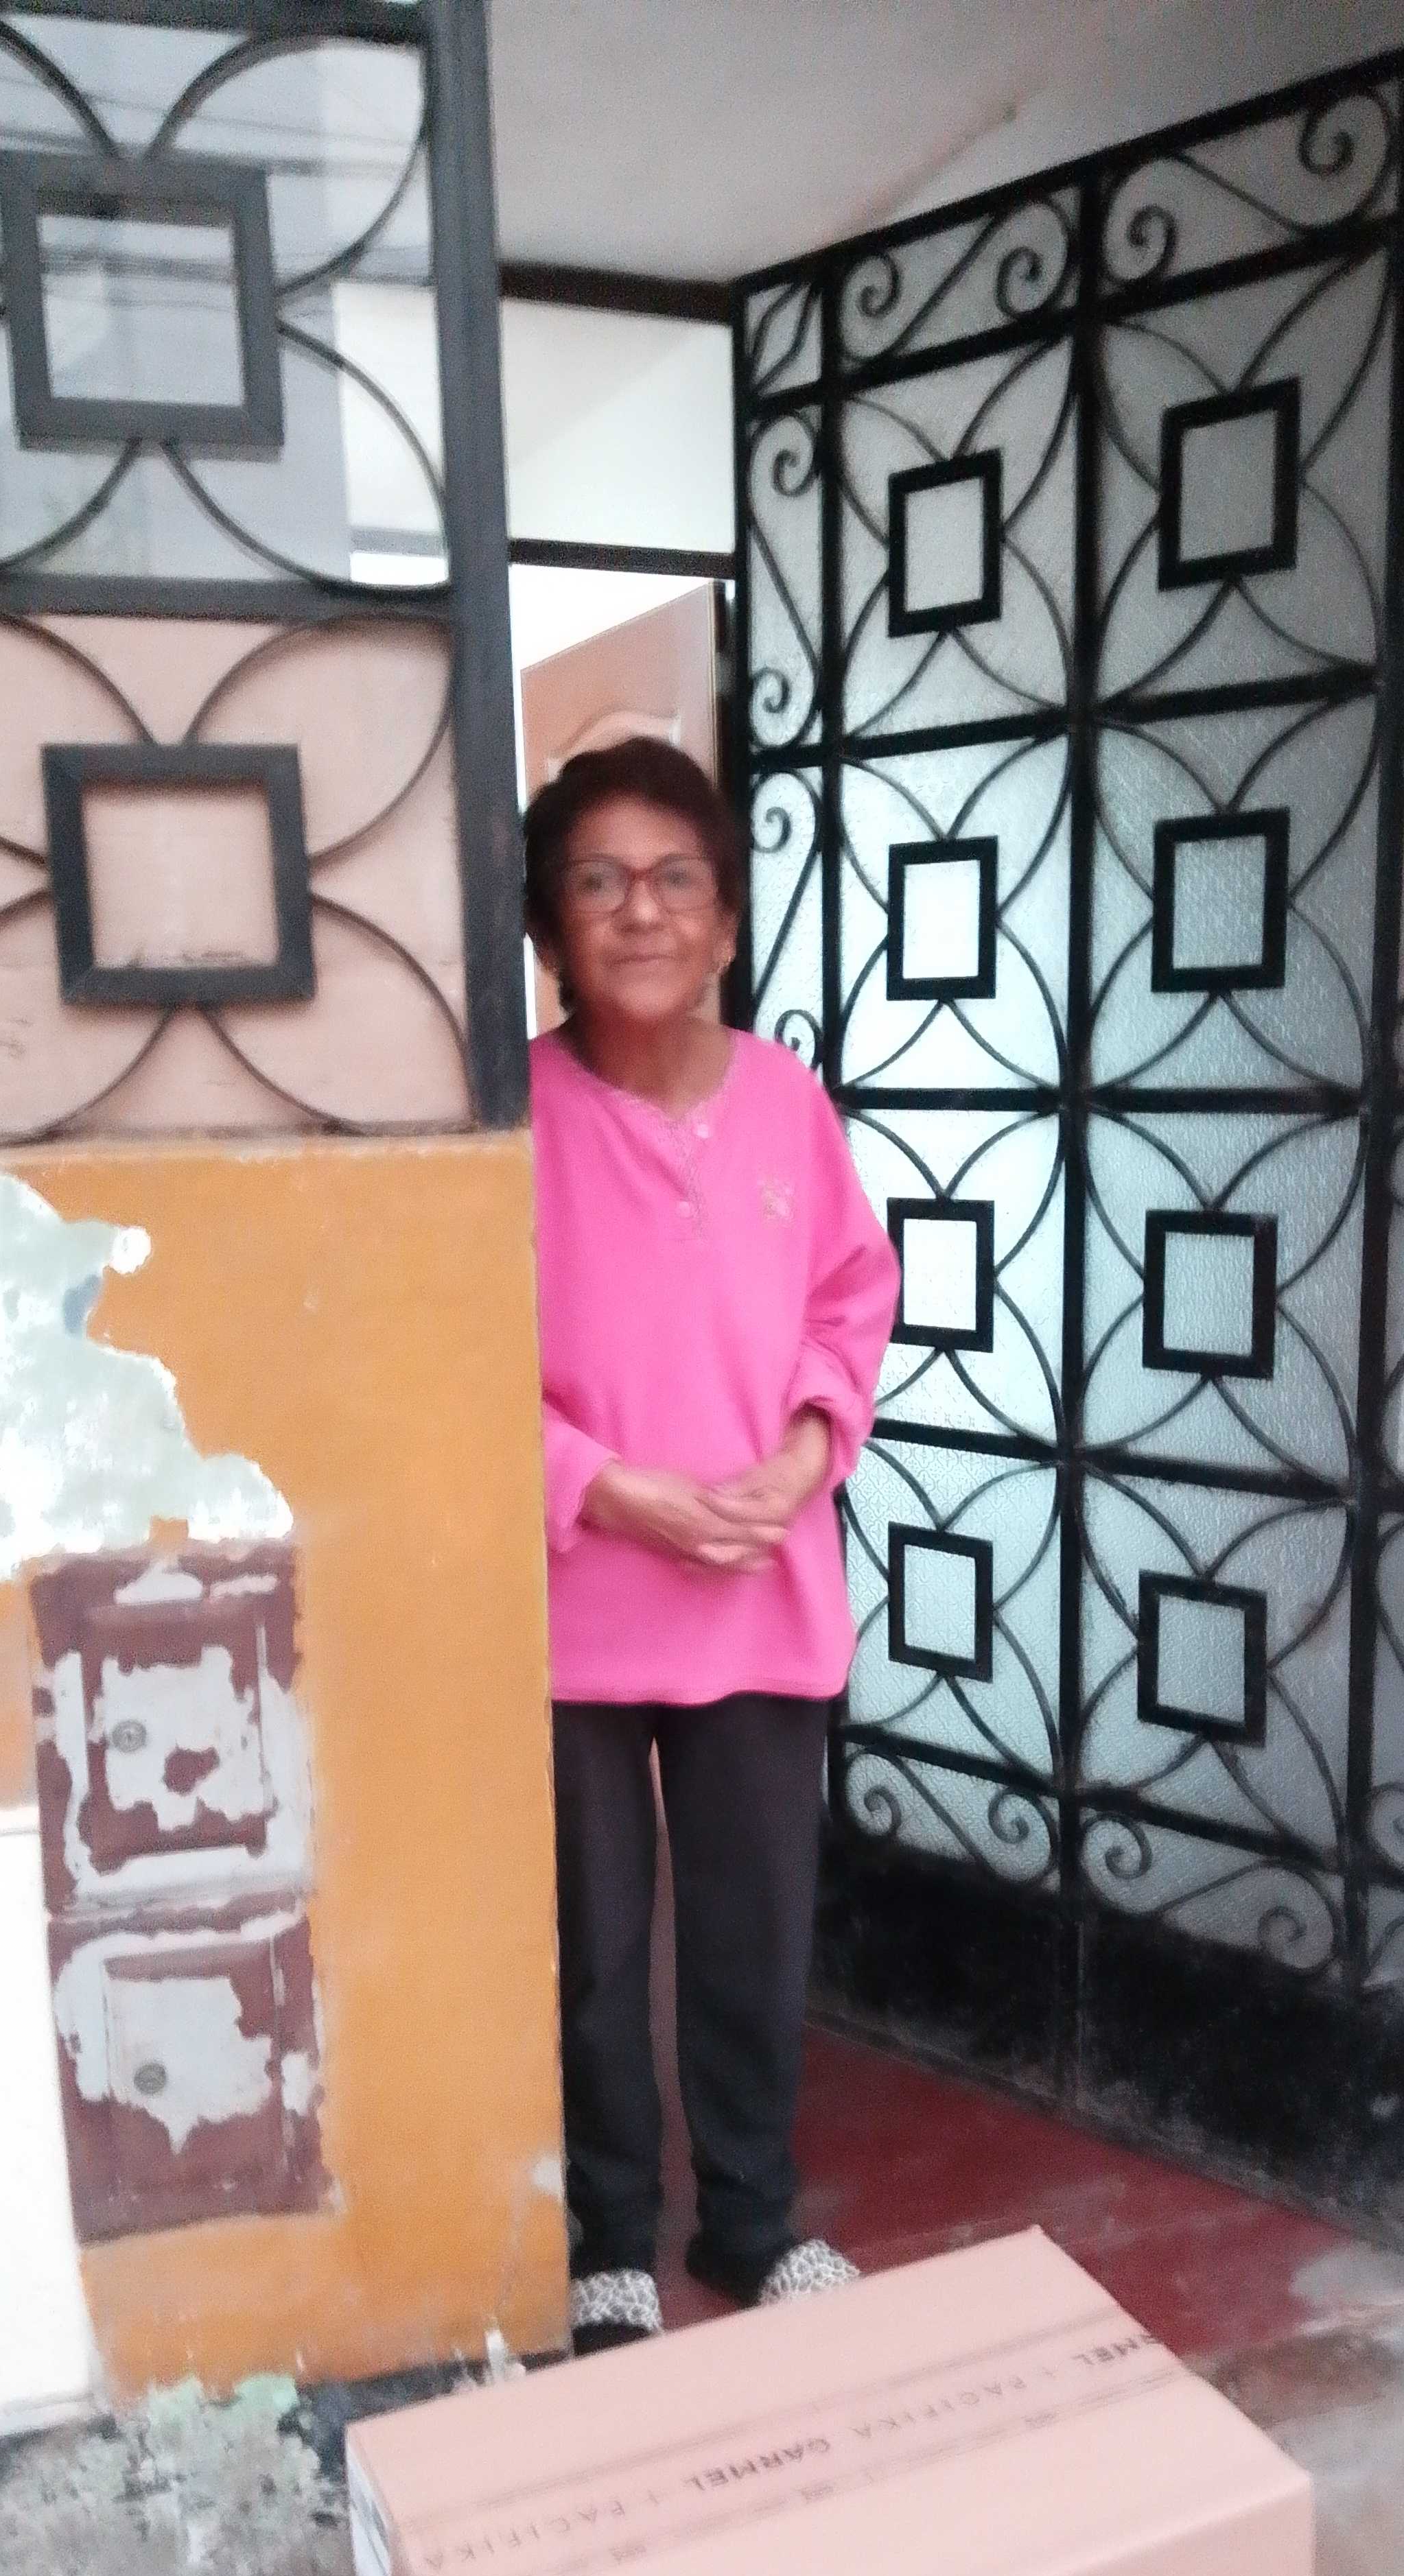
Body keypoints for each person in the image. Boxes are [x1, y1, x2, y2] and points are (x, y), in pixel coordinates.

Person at [526, 737, 900, 2354]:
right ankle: (609, 2237)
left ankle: (748, 2220)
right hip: (576, 1604)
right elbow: (453, 1357)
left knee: (751, 1931)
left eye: (677, 878)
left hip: (760, 1588)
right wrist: (610, 1488)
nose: (642, 911)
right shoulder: (511, 1116)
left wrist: (811, 1450)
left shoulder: (786, 1101)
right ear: (550, 926)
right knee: (594, 1942)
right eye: (599, 881)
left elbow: (852, 1297)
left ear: (728, 920)